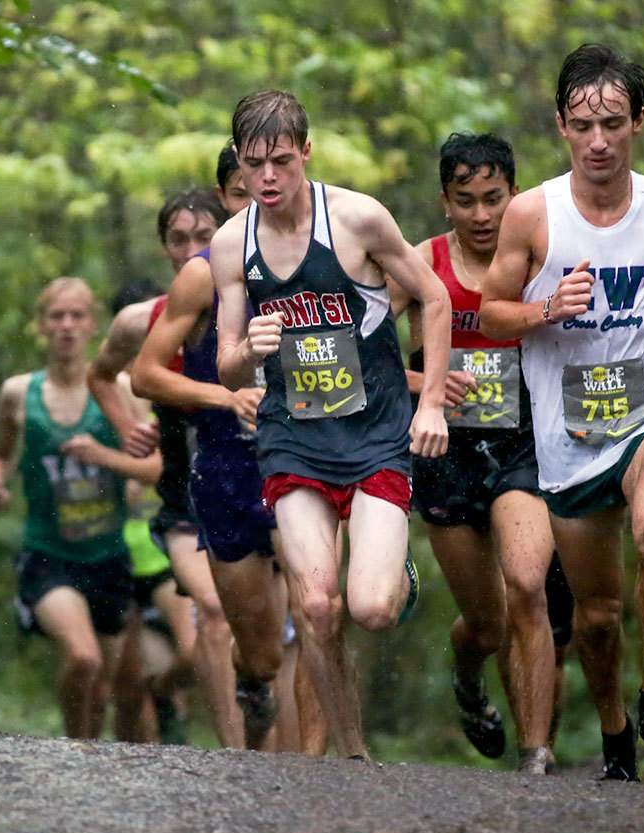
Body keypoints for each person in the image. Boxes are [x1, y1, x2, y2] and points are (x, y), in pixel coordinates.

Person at [479, 44, 644, 779]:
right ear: (561, 126)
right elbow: (489, 314)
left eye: (613, 123)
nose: (598, 141)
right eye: (583, 124)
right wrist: (541, 308)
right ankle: (615, 727)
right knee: (595, 618)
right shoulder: (535, 213)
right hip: (569, 438)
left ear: (638, 125)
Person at [213, 90, 452, 760]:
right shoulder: (232, 245)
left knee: (370, 606)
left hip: (375, 433)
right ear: (238, 159)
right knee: (317, 606)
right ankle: (352, 754)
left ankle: (391, 561)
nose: (267, 178)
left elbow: (433, 298)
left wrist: (430, 403)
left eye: (281, 161)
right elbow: (229, 371)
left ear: (305, 153)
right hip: (293, 437)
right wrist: (248, 352)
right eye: (254, 163)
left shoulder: (357, 219)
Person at [131, 142, 322, 753]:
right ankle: (251, 683)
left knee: (319, 608)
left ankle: (324, 768)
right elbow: (141, 375)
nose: (261, 198)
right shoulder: (203, 274)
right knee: (262, 651)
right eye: (243, 190)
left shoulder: (319, 258)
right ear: (227, 195)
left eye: (274, 181)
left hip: (301, 460)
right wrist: (221, 397)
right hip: (225, 473)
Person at [391, 133, 566, 774]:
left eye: (493, 198)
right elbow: (362, 354)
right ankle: (468, 677)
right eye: (466, 201)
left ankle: (536, 753)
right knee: (486, 625)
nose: (482, 215)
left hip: (522, 442)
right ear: (445, 202)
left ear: (514, 194)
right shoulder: (417, 262)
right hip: (444, 450)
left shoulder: (537, 258)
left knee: (527, 586)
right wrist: (425, 385)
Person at [87, 189, 243, 747]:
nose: (193, 250)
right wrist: (126, 428)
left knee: (262, 646)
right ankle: (235, 751)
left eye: (205, 236)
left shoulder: (259, 304)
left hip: (253, 487)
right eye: (179, 239)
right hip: (183, 496)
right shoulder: (142, 321)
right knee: (211, 612)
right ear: (164, 248)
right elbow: (101, 375)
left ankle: (178, 687)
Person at [0, 277, 160, 739]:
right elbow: (1, 451)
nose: (65, 326)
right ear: (41, 326)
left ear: (93, 326)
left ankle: (87, 761)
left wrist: (108, 459)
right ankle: (72, 749)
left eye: (76, 316)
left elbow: (155, 468)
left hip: (110, 556)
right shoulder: (18, 393)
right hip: (48, 555)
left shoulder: (121, 387)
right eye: (56, 316)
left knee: (102, 684)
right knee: (83, 658)